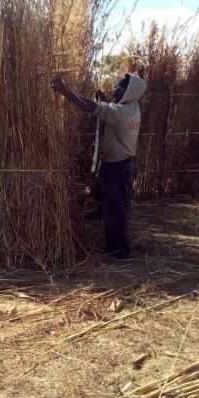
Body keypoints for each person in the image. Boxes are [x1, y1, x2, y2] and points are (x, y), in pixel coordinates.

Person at [51, 73, 146, 259]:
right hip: (121, 166)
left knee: (115, 209)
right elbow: (109, 110)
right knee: (118, 208)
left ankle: (118, 252)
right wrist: (105, 102)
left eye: (120, 87)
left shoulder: (121, 113)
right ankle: (117, 246)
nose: (115, 88)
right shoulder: (132, 107)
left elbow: (91, 107)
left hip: (117, 168)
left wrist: (65, 91)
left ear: (130, 92)